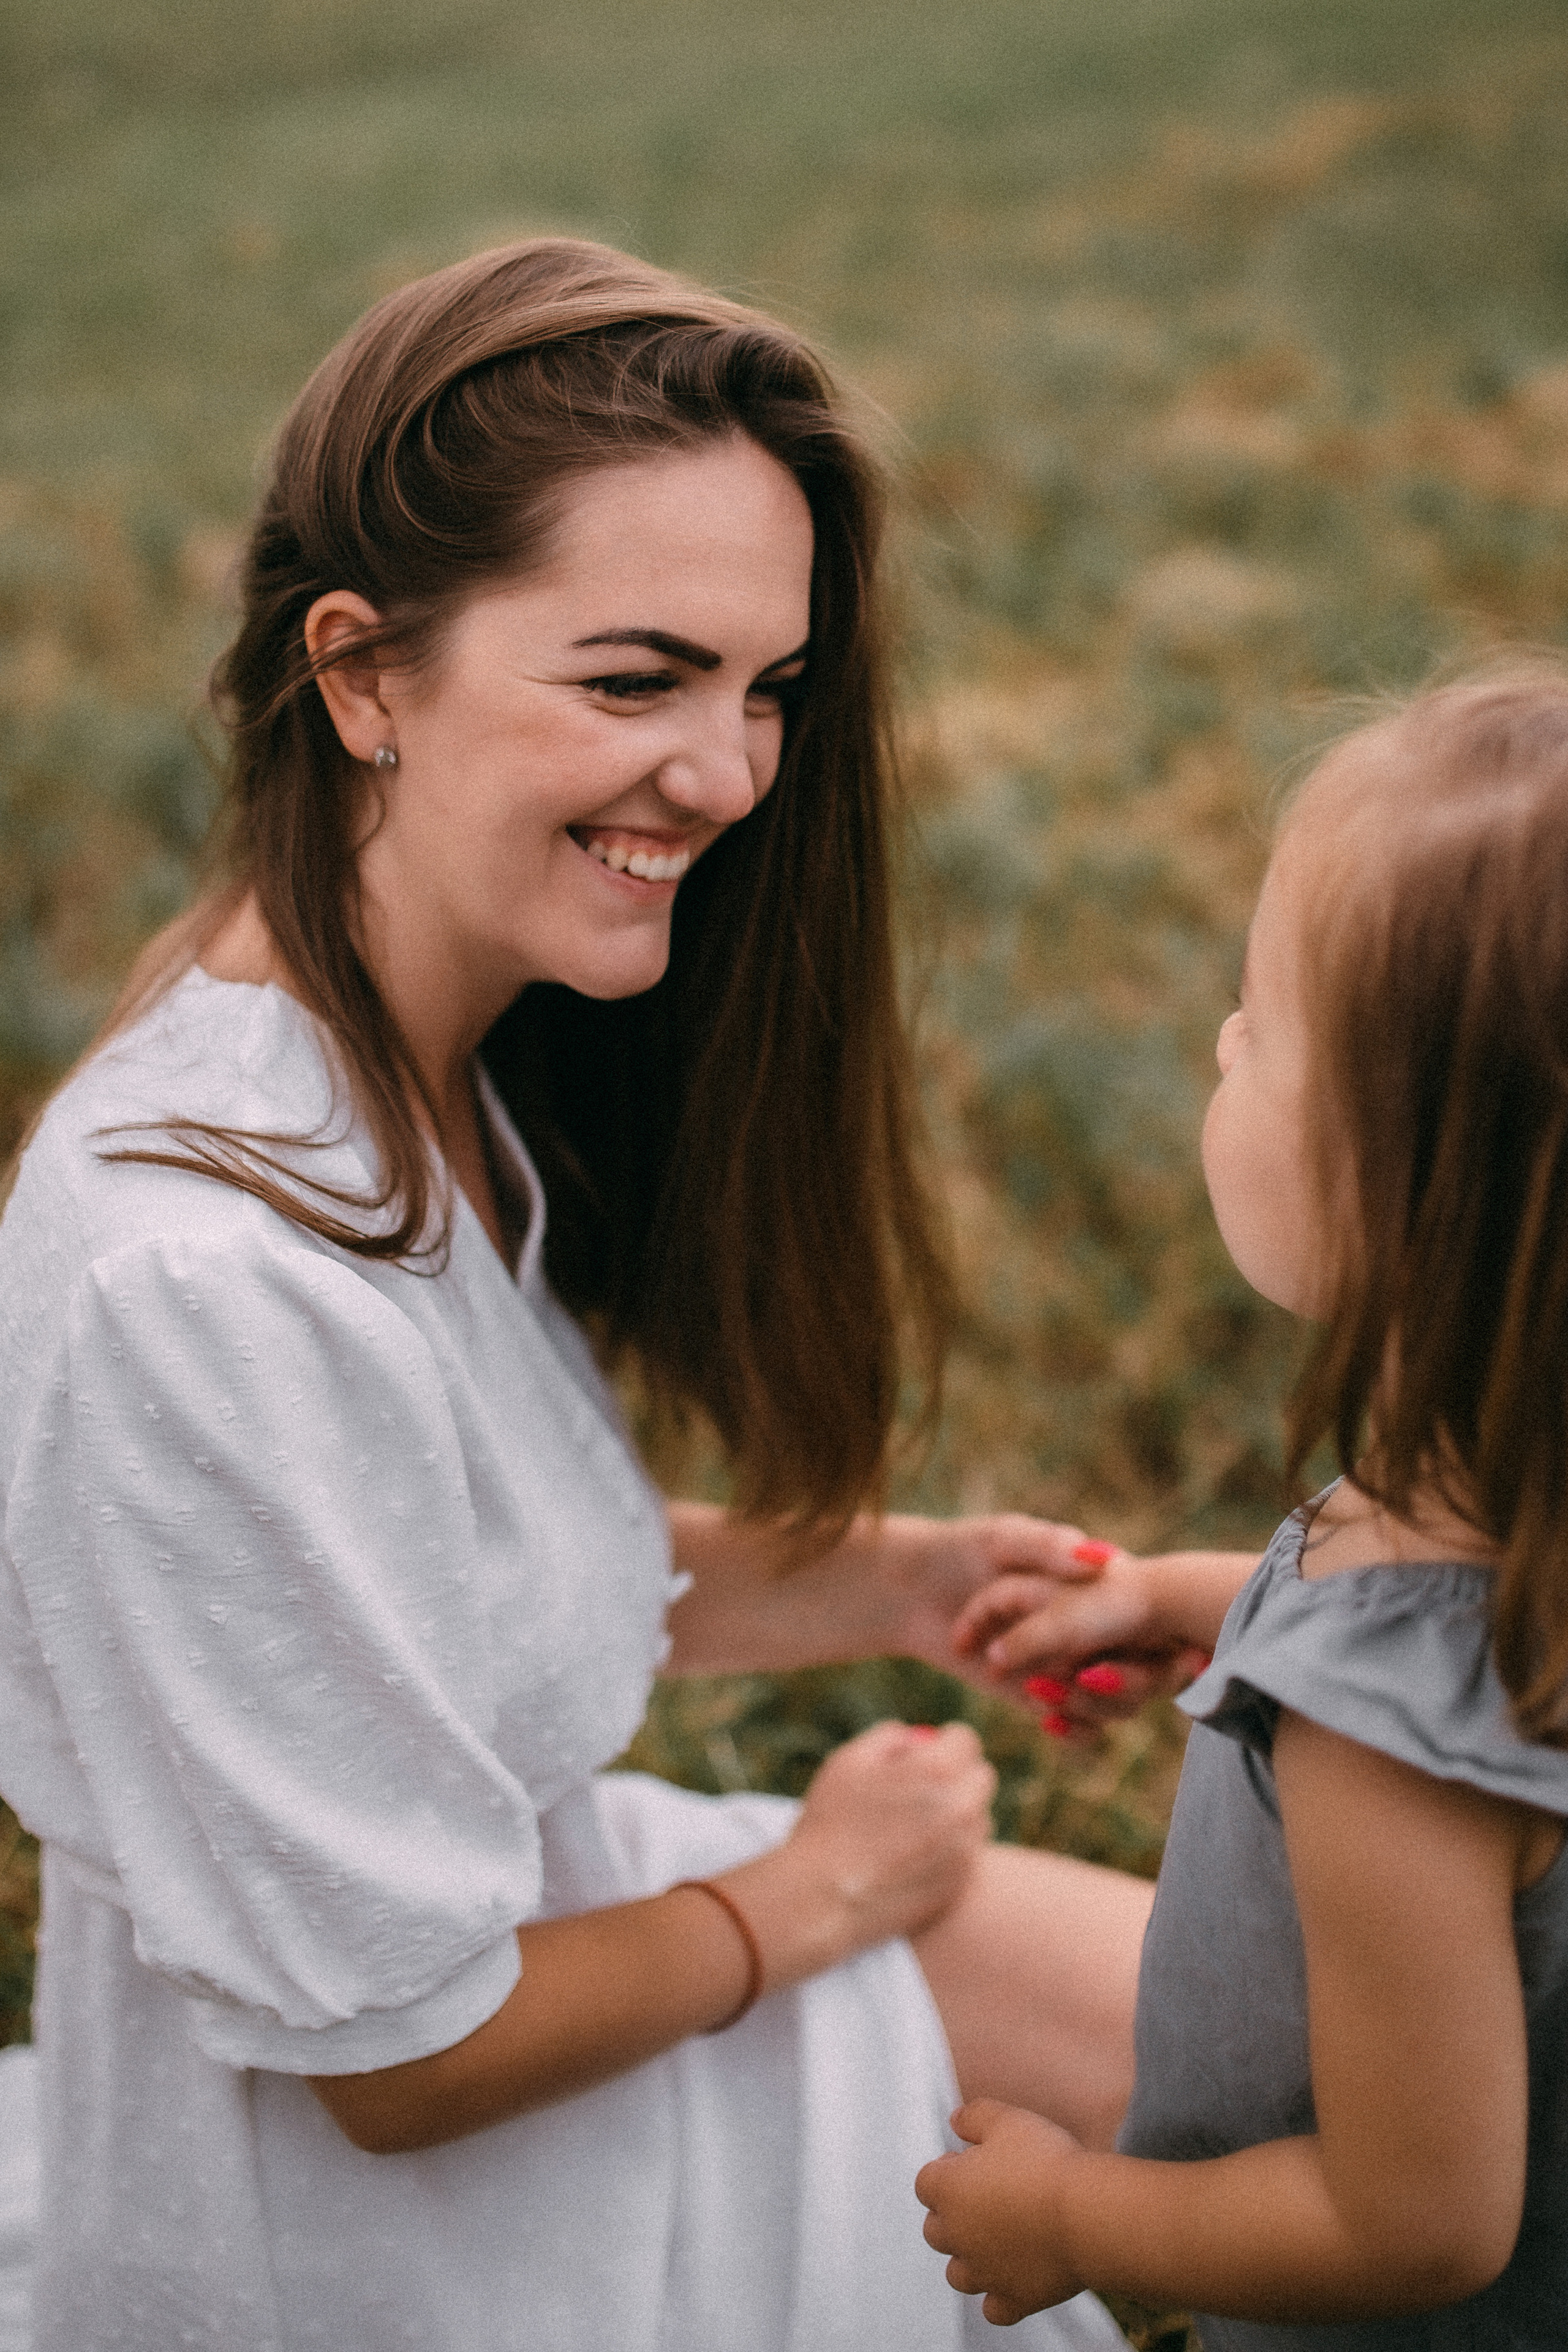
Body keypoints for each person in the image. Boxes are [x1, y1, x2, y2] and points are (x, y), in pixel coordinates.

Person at [0, 236, 1177, 2352]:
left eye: (769, 690)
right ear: (360, 675)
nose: (728, 778)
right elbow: (396, 2059)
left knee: (1355, 2094)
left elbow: (425, 1591)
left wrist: (905, 1586)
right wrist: (819, 1896)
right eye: (636, 683)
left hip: (584, 1909)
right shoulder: (205, 1279)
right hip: (420, 2206)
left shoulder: (374, 1014)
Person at [919, 663, 1568, 2348]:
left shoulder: (1380, 1742)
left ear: (1407, 1184)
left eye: (1261, 1026)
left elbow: (1410, 2217)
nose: (1220, 1039)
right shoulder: (1506, 1498)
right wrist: (1189, 1597)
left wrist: (1073, 2212)